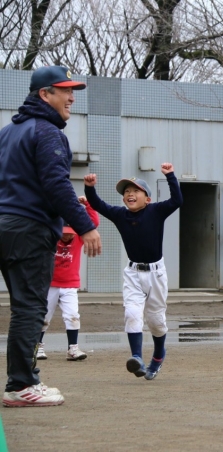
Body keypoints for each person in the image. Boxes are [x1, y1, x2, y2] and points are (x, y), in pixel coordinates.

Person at [0, 65, 102, 407]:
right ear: (45, 94)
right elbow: (56, 185)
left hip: (5, 225)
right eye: (65, 90)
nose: (72, 97)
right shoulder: (47, 132)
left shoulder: (7, 133)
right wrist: (85, 225)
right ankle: (22, 385)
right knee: (29, 308)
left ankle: (21, 381)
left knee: (23, 307)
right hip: (29, 229)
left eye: (73, 90)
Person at [84, 163, 182, 380]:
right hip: (133, 273)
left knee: (156, 321)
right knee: (132, 314)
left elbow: (177, 201)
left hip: (156, 274)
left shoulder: (155, 211)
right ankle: (136, 357)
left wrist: (170, 176)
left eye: (136, 190)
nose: (130, 194)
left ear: (147, 198)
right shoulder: (120, 215)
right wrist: (89, 188)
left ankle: (158, 355)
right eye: (127, 191)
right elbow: (97, 204)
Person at [37, 196, 99, 361]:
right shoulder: (52, 237)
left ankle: (73, 349)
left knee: (72, 315)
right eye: (64, 233)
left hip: (70, 285)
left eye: (70, 233)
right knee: (43, 316)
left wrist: (88, 204)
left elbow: (93, 222)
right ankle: (38, 347)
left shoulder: (78, 238)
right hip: (50, 284)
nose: (67, 237)